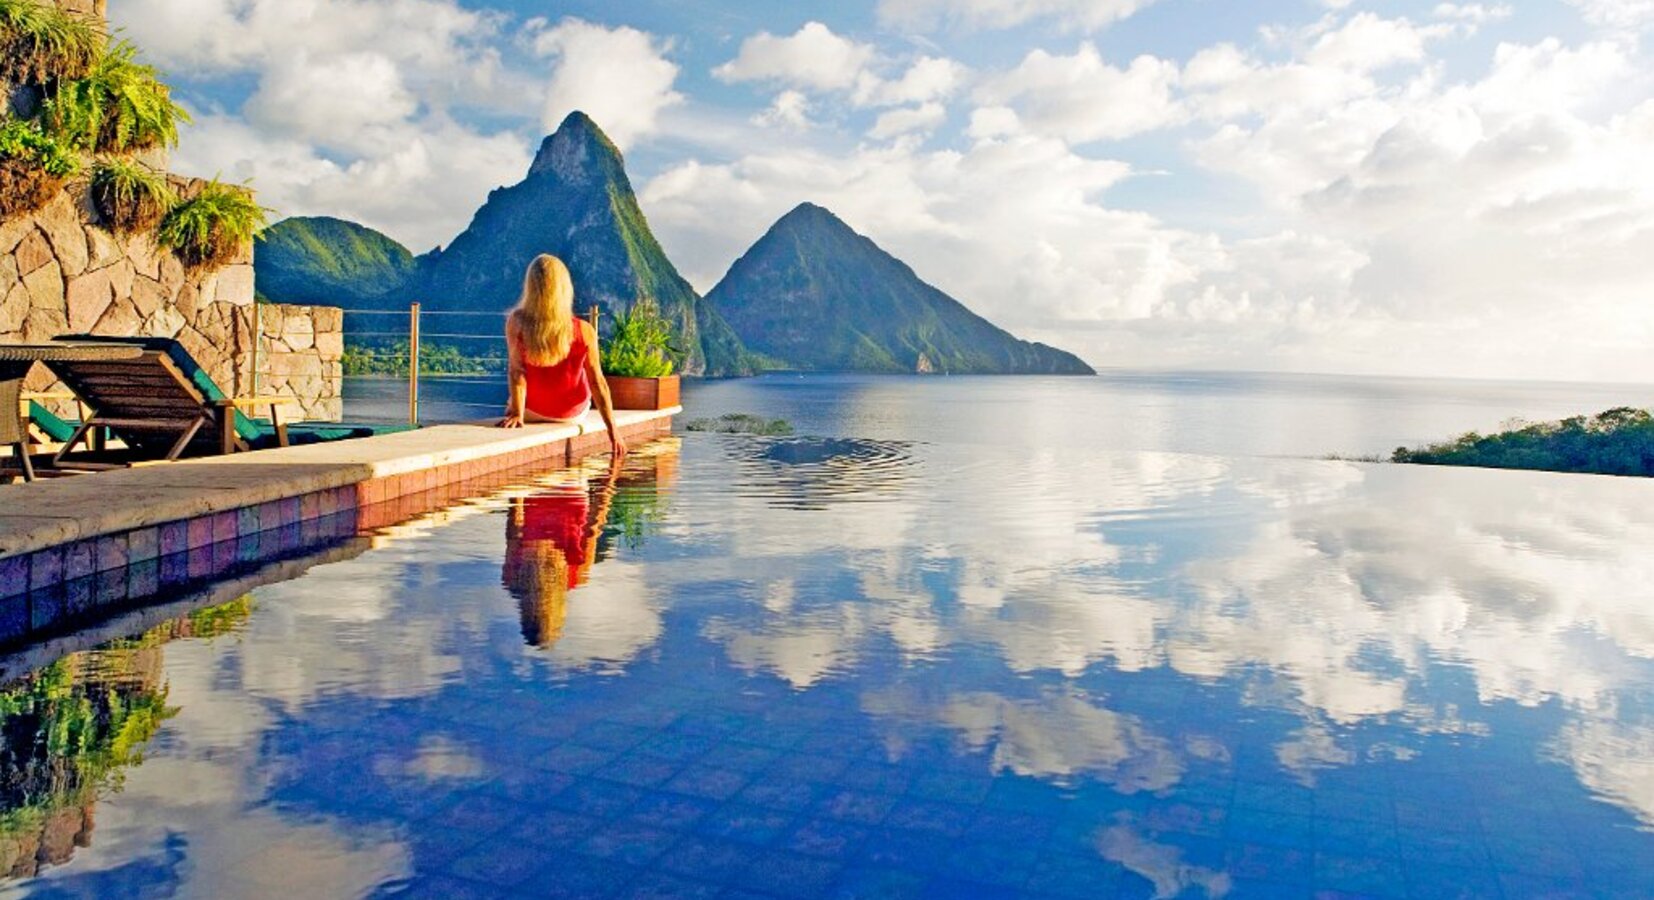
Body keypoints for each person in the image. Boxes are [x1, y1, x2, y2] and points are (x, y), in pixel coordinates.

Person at [498, 254, 626, 458]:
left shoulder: (517, 322)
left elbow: (516, 372)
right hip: (573, 413)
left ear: (530, 287)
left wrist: (517, 414)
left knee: (509, 401)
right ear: (565, 288)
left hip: (532, 411)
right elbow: (598, 382)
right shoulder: (584, 330)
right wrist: (613, 431)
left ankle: (516, 409)